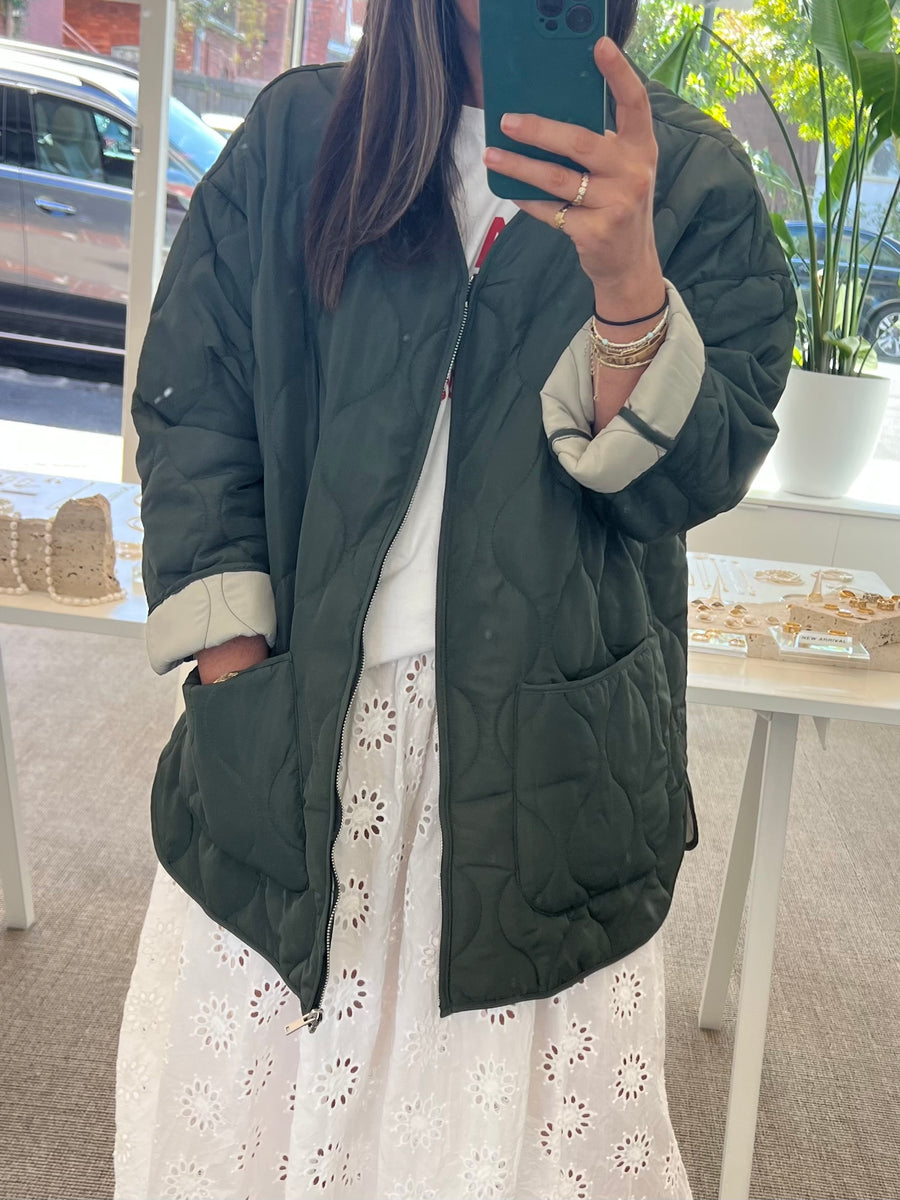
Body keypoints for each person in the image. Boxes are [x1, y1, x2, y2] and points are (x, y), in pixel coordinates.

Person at [115, 0, 795, 1193]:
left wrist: (629, 286)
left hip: (549, 764)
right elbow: (196, 407)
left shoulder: (690, 181)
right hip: (299, 728)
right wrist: (234, 670)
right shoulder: (301, 136)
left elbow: (693, 479)